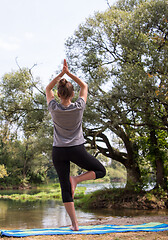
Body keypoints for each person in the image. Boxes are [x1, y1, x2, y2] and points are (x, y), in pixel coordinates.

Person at [45, 59, 106, 231]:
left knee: (65, 187)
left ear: (58, 94)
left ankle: (75, 224)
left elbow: (47, 89)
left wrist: (60, 75)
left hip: (58, 151)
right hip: (76, 149)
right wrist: (69, 73)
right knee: (101, 171)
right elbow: (84, 86)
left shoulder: (54, 108)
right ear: (73, 94)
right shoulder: (79, 107)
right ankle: (77, 179)